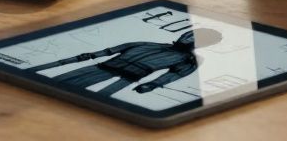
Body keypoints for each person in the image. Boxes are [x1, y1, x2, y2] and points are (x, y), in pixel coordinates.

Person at [26, 28, 223, 94]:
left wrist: (153, 85)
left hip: (127, 79)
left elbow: (173, 76)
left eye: (196, 37)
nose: (189, 37)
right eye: (190, 33)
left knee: (99, 100)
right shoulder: (148, 43)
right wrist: (90, 55)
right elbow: (111, 50)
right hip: (101, 67)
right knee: (57, 84)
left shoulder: (188, 60)